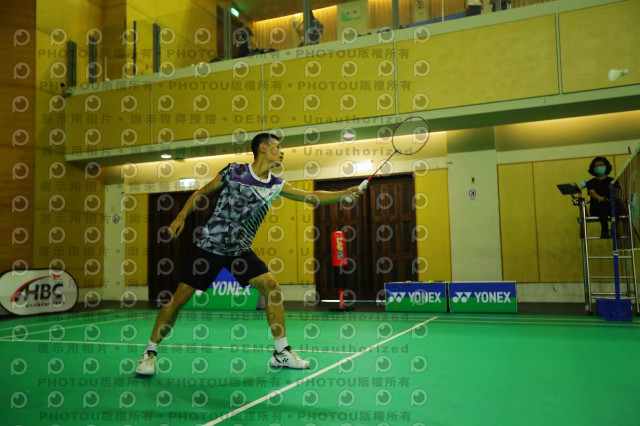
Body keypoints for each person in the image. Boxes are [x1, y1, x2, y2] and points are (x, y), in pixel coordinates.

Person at [135, 133, 364, 375]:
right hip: (209, 246)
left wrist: (343, 193)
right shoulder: (234, 171)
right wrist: (180, 216)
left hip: (239, 251)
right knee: (179, 299)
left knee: (272, 288)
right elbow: (202, 191)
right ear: (263, 148)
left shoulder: (276, 185)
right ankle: (149, 353)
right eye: (277, 146)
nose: (282, 151)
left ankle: (282, 352)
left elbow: (311, 197)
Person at [585, 156, 620, 239]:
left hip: (610, 205)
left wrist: (612, 198)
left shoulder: (613, 180)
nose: (598, 167)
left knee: (615, 205)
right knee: (602, 204)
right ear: (593, 168)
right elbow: (592, 192)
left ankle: (614, 229)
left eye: (601, 165)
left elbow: (616, 192)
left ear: (606, 166)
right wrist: (600, 198)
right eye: (596, 165)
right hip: (597, 207)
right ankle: (604, 230)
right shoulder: (590, 182)